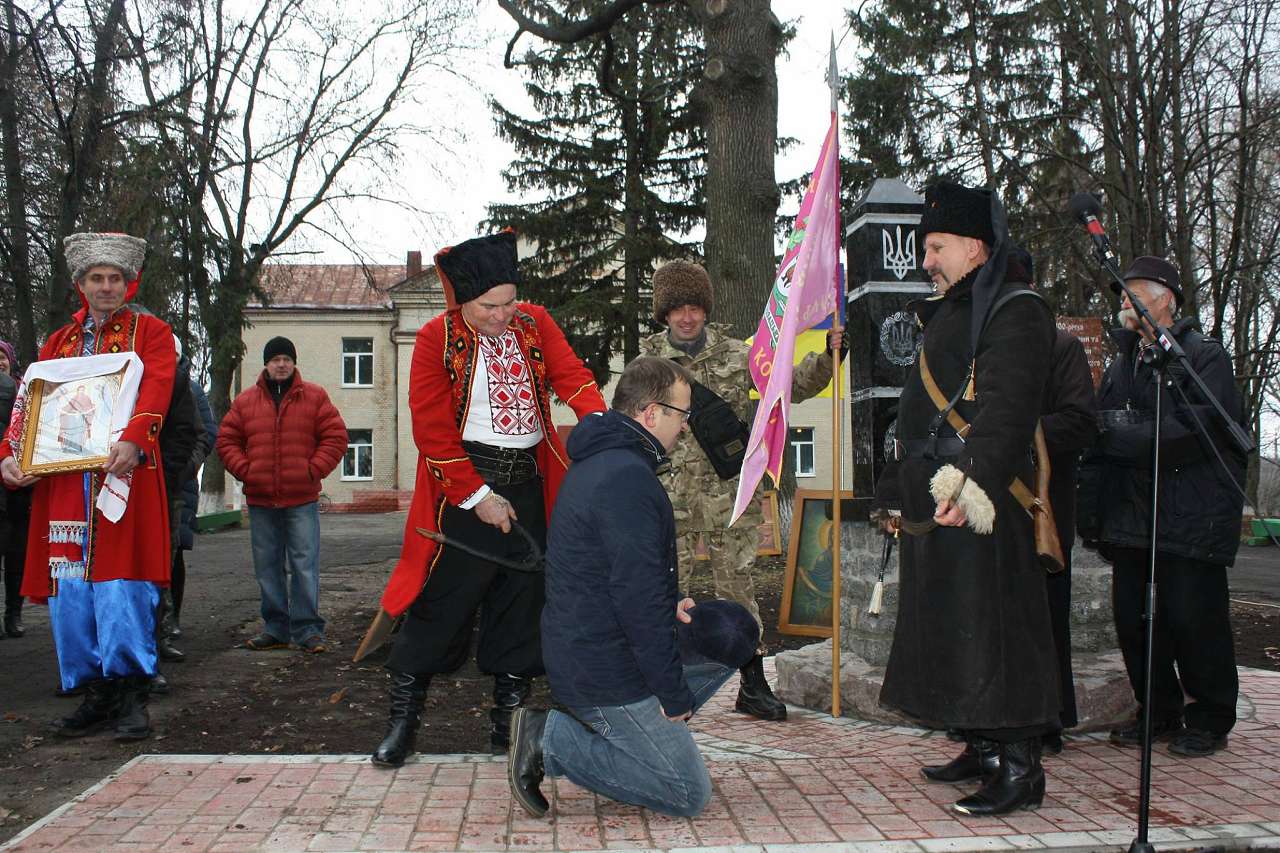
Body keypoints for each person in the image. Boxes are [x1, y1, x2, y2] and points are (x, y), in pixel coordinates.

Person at [369, 231, 606, 767]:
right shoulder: (435, 337)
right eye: (489, 307)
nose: (503, 315)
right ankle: (403, 722)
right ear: (462, 301)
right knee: (442, 602)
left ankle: (509, 727)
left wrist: (599, 420)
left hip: (529, 483)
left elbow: (572, 377)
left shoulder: (534, 322)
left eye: (509, 302)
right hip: (465, 488)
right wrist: (477, 496)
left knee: (523, 602)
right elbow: (430, 426)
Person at [874, 180, 1059, 816]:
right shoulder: (954, 308)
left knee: (995, 630)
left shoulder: (1017, 308)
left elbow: (1007, 409)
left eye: (937, 246)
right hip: (935, 496)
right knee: (954, 628)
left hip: (982, 504)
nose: (926, 260)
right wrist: (898, 491)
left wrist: (971, 485)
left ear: (976, 247)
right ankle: (979, 744)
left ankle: (1019, 767)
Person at [507, 356, 760, 819]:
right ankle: (551, 739)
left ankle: (631, 734)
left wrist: (670, 601)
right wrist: (672, 696)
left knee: (733, 631)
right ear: (651, 413)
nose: (686, 427)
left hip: (597, 643)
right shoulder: (626, 479)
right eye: (682, 415)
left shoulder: (612, 464)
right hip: (603, 667)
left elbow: (623, 577)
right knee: (687, 791)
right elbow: (635, 602)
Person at [638, 260, 842, 721]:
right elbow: (630, 427)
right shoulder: (646, 366)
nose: (686, 317)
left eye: (694, 307)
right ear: (663, 313)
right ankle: (668, 690)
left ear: (705, 309)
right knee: (669, 592)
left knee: (739, 588)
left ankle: (752, 683)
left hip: (730, 495)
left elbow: (787, 387)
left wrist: (829, 358)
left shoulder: (739, 355)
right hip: (668, 501)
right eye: (676, 308)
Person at [0, 231, 176, 740]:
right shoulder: (59, 343)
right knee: (72, 588)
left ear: (128, 282)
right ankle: (95, 693)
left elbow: (157, 386)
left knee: (122, 584)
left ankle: (132, 694)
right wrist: (10, 457)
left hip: (123, 477)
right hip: (66, 485)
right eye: (96, 278)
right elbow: (31, 406)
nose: (106, 286)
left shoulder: (151, 332)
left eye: (114, 278)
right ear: (80, 284)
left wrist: (137, 437)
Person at [1081, 256, 1245, 758]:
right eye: (1121, 295)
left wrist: (1117, 434)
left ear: (1166, 300)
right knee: (1135, 620)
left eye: (1133, 293)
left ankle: (1211, 717)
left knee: (1196, 621)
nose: (1123, 304)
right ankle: (1158, 709)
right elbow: (1100, 426)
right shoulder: (1121, 363)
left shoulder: (1201, 357)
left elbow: (1192, 432)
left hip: (1188, 518)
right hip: (1133, 519)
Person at [1009, 248, 1099, 753]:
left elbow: (1080, 422)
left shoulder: (1061, 348)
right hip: (992, 505)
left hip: (1043, 504)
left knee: (1045, 616)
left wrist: (1015, 433)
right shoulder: (989, 348)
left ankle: (1048, 720)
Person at [216, 336, 347, 653]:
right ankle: (275, 629)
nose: (281, 364)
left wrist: (312, 470)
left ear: (294, 362)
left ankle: (308, 630)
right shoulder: (246, 402)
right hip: (261, 500)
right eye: (275, 359)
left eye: (286, 359)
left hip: (301, 498)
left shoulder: (314, 397)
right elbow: (226, 441)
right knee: (268, 567)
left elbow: (336, 436)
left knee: (304, 565)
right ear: (266, 363)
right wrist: (246, 471)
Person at [0, 339, 29, 637]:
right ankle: (11, 615)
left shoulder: (23, 390)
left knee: (17, 554)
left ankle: (14, 613)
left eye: (3, 357)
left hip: (20, 485)